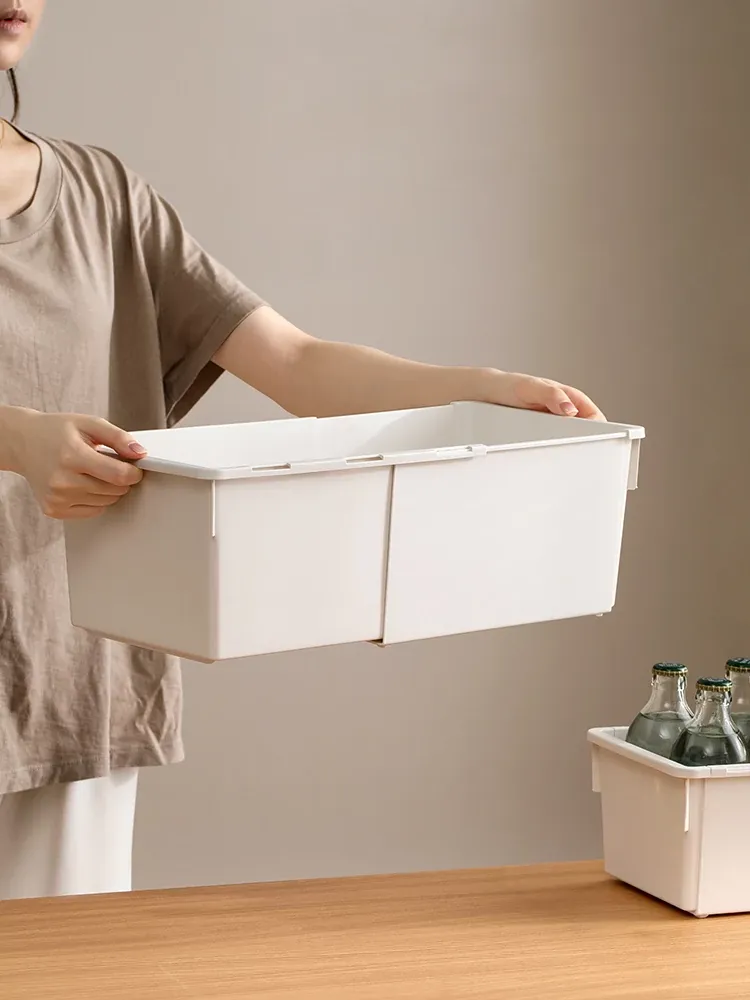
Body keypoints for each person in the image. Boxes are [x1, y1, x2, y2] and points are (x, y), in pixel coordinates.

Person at [0, 0, 604, 901]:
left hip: (63, 672)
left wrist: (476, 389)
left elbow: (294, 363)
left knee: (63, 964)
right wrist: (16, 437)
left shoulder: (103, 196)